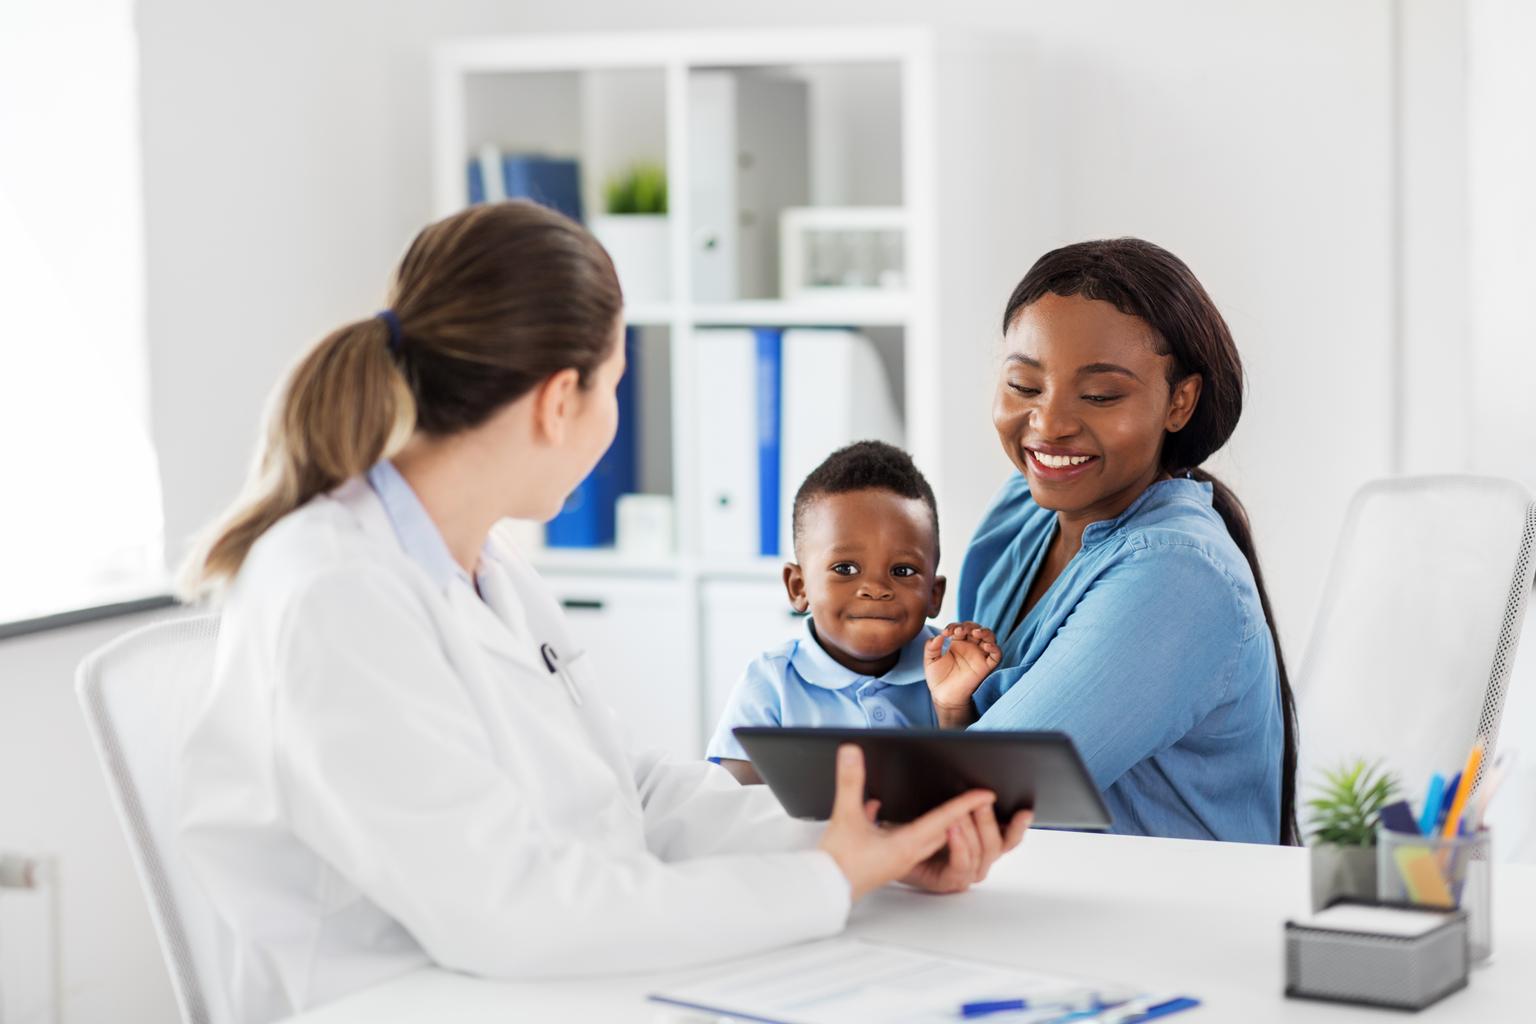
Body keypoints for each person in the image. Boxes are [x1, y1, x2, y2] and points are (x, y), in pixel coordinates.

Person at [174, 201, 1028, 1024]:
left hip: (536, 982)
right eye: (615, 386)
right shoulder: (336, 591)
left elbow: (629, 793)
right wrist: (824, 883)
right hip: (408, 999)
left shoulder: (485, 562)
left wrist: (868, 841)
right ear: (557, 402)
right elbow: (509, 909)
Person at [941, 238, 1298, 845]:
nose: (1049, 424)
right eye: (1024, 386)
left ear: (1179, 401)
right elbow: (956, 730)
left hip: (1157, 928)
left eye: (1101, 396)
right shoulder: (1020, 513)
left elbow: (984, 799)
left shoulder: (1177, 576)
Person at [707, 441, 1002, 785]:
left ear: (934, 594)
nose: (875, 588)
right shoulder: (771, 683)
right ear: (799, 587)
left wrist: (952, 708)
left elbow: (974, 791)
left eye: (903, 571)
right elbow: (732, 804)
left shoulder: (955, 668)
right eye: (845, 568)